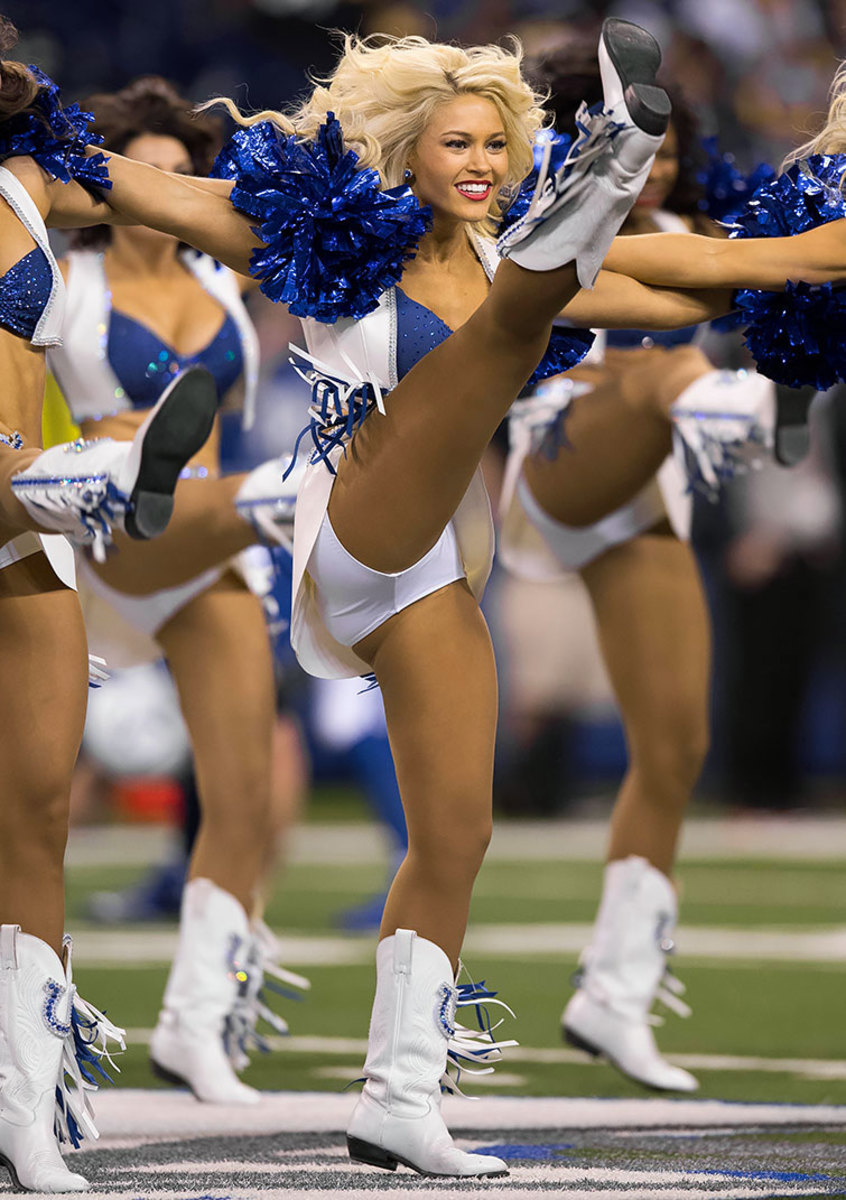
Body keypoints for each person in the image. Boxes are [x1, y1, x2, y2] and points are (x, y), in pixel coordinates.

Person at [86, 19, 691, 1177]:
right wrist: (26, 122)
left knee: (458, 827)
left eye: (499, 147)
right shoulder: (327, 237)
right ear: (408, 150)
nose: (479, 164)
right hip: (354, 522)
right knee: (516, 324)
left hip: (436, 569)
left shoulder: (515, 260)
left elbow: (713, 276)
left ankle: (400, 1100)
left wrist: (812, 261)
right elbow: (154, 195)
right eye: (457, 142)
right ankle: (612, 157)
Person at [46, 75, 308, 1107]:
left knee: (244, 796)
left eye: (183, 170)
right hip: (88, 532)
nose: (164, 186)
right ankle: (299, 490)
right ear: (110, 183)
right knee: (35, 806)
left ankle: (198, 1025)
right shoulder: (63, 281)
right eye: (142, 170)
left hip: (202, 532)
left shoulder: (225, 277)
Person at [0, 22, 217, 1194]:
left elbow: (202, 207)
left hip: (20, 529)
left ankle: (25, 1109)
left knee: (36, 817)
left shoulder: (34, 181)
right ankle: (106, 478)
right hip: (26, 492)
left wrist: (368, 200)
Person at [497, 51, 731, 1095]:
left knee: (677, 743)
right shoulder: (545, 228)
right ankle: (750, 412)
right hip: (558, 466)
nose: (661, 173)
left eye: (674, 153)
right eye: (643, 151)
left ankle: (615, 993)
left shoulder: (689, 239)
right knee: (665, 374)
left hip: (644, 497)